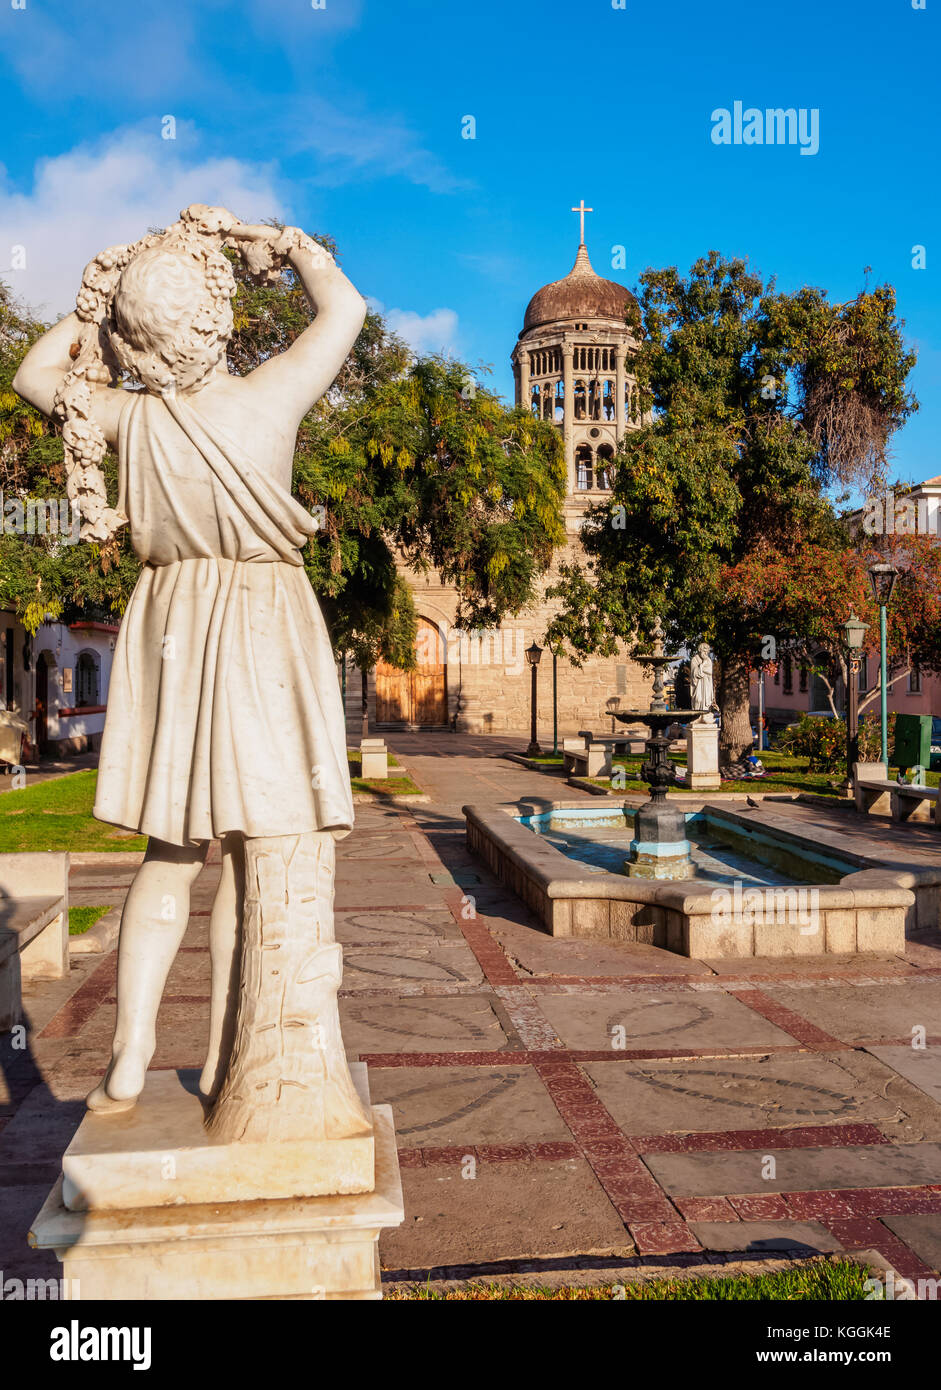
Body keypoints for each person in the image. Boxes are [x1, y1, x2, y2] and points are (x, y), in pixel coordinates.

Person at [13, 205, 367, 1114]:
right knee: (250, 853)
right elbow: (344, 309)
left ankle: (130, 1051)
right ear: (219, 317)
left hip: (170, 617)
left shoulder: (126, 418)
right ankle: (222, 1057)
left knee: (171, 851)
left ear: (135, 339)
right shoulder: (271, 396)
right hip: (261, 617)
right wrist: (281, 243)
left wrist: (99, 302)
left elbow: (33, 374)